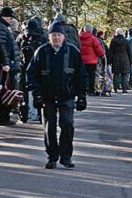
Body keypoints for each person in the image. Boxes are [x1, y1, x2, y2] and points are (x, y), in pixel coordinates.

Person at [26, 21, 87, 169]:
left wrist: (82, 96)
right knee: (49, 128)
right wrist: (36, 94)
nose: (56, 38)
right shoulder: (41, 52)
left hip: (67, 96)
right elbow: (31, 74)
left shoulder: (72, 52)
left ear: (63, 36)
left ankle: (66, 157)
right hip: (48, 97)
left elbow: (82, 75)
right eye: (53, 35)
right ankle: (52, 156)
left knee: (67, 125)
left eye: (59, 35)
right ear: (49, 37)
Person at [0, 7, 19, 126]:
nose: (11, 20)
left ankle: (4, 115)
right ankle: (3, 116)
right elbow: (1, 47)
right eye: (10, 17)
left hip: (7, 65)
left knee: (6, 90)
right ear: (5, 16)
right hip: (5, 67)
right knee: (5, 90)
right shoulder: (0, 27)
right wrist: (6, 63)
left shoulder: (2, 27)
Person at [16, 17, 47, 122]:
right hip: (35, 68)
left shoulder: (21, 37)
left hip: (25, 68)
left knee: (26, 91)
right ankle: (35, 114)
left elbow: (16, 52)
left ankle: (26, 113)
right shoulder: (42, 37)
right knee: (34, 91)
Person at [80, 24, 105, 96]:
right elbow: (99, 49)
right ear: (91, 30)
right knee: (91, 76)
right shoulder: (93, 38)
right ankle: (91, 91)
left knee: (83, 76)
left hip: (82, 60)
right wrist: (102, 55)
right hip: (92, 61)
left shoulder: (79, 37)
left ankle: (83, 90)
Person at [108, 28, 132, 93]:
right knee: (124, 74)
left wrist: (109, 61)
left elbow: (110, 51)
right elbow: (129, 51)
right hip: (125, 59)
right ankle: (124, 89)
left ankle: (115, 88)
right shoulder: (126, 41)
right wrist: (131, 60)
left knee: (116, 74)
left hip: (115, 59)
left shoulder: (113, 41)